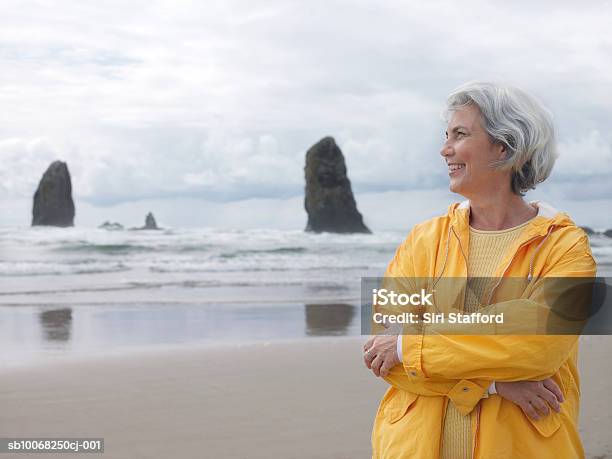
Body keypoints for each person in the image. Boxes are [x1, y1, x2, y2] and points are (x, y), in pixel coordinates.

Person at [363, 81, 596, 458]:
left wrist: (411, 343)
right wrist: (493, 384)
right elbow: (381, 351)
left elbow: (540, 345)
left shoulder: (564, 246)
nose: (445, 149)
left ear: (504, 146)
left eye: (461, 134)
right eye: (447, 135)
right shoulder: (424, 240)